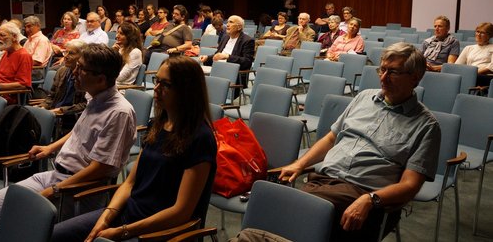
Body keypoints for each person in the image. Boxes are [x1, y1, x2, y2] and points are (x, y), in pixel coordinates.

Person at [0, 44, 137, 242]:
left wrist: (56, 190)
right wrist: (51, 147)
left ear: (101, 79)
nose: (74, 72)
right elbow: (79, 131)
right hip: (54, 175)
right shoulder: (95, 97)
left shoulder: (119, 112)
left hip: (77, 190)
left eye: (80, 68)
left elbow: (101, 168)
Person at [279, 42, 441, 241]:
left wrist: (370, 199)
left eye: (393, 72)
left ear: (415, 78)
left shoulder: (426, 126)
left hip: (363, 194)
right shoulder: (364, 98)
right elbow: (331, 138)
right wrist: (299, 164)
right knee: (273, 204)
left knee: (290, 213)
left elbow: (410, 185)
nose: (383, 78)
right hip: (323, 182)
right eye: (382, 69)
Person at [50, 56, 217, 242]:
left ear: (186, 91)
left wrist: (123, 231)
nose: (156, 88)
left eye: (166, 84)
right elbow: (129, 183)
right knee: (55, 235)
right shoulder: (158, 124)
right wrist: (105, 219)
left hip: (159, 230)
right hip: (128, 214)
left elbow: (181, 212)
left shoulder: (200, 138)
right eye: (157, 80)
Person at [200, 15, 254, 95]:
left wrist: (227, 56)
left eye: (231, 22)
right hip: (218, 70)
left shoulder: (248, 40)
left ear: (239, 27)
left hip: (233, 74)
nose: (227, 24)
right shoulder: (225, 38)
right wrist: (207, 57)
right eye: (227, 22)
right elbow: (218, 55)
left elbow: (247, 61)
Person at [39, 39, 87, 117]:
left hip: (71, 118)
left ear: (82, 56)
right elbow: (51, 96)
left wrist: (61, 111)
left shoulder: (85, 76)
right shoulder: (61, 71)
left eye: (71, 53)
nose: (66, 56)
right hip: (54, 113)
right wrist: (42, 107)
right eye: (65, 52)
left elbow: (85, 105)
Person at [455, 22, 493, 86]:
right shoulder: (468, 48)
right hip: (469, 75)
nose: (478, 34)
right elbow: (457, 65)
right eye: (477, 31)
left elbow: (491, 67)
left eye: (482, 32)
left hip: (484, 76)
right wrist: (469, 74)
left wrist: (473, 73)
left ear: (489, 35)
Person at [23, 16, 52, 80]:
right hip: (27, 68)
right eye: (25, 27)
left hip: (36, 71)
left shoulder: (42, 40)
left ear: (38, 26)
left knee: (8, 75)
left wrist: (19, 64)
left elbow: (37, 62)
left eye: (29, 26)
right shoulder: (28, 40)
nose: (27, 30)